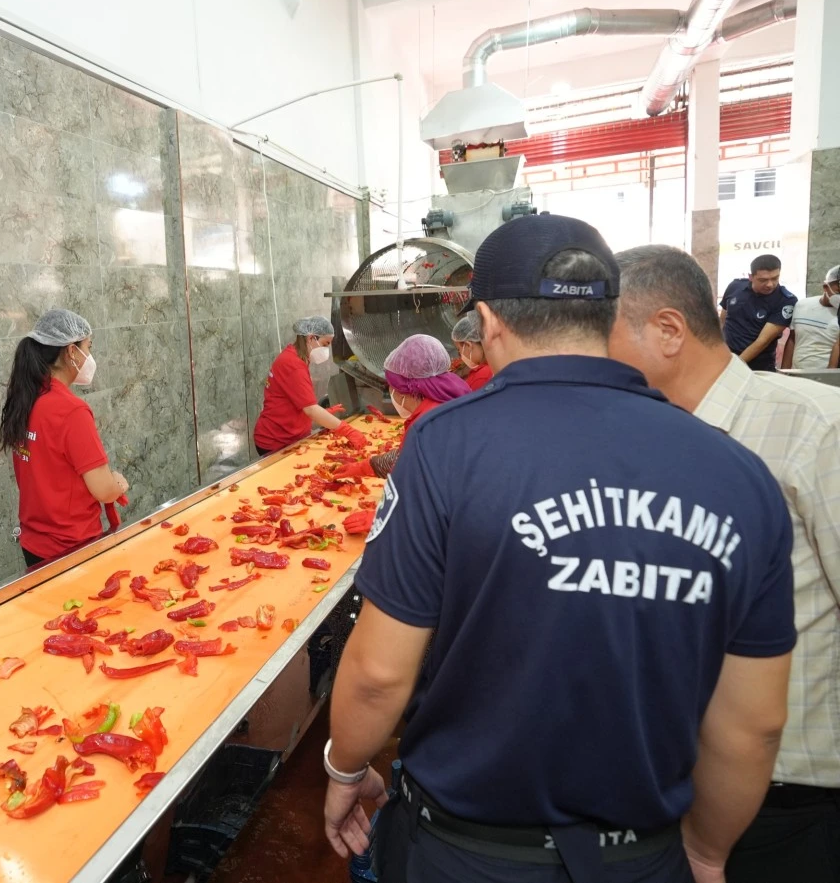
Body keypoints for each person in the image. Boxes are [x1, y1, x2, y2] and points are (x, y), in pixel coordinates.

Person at [323, 215, 795, 883]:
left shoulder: (446, 445)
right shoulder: (738, 472)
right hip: (640, 853)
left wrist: (345, 768)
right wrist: (706, 853)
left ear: (488, 321)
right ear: (609, 315)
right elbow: (753, 724)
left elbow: (378, 673)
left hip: (463, 851)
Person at [611, 244, 840, 883]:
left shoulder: (813, 429)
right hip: (675, 783)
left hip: (789, 801)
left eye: (602, 337)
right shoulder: (645, 438)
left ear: (668, 330)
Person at [0, 309, 129, 568]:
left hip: (34, 546)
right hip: (72, 548)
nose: (90, 356)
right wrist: (118, 483)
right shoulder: (71, 411)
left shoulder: (26, 399)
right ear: (71, 352)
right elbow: (104, 490)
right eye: (88, 347)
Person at [335, 334, 470, 479]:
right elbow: (408, 456)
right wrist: (369, 465)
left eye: (390, 385)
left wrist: (364, 467)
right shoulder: (451, 394)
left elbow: (407, 465)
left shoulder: (425, 422)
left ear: (402, 390)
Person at [252, 316, 366, 456]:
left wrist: (325, 413)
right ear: (311, 338)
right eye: (325, 344)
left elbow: (297, 401)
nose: (326, 350)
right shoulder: (293, 364)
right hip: (276, 440)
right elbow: (310, 409)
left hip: (289, 435)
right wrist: (347, 431)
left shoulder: (295, 356)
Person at [719, 254, 798, 372]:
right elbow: (723, 321)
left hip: (758, 367)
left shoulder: (786, 301)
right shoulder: (735, 287)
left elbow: (762, 341)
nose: (770, 284)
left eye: (775, 278)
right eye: (763, 280)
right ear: (751, 277)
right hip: (726, 358)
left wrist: (734, 367)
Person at [781, 264, 840, 371]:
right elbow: (792, 339)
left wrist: (830, 376)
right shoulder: (802, 305)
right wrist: (784, 371)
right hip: (797, 373)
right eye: (838, 293)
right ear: (825, 287)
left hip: (827, 375)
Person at [451, 310, 494, 390]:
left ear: (468, 345)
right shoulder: (495, 365)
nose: (460, 356)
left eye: (459, 350)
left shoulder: (482, 376)